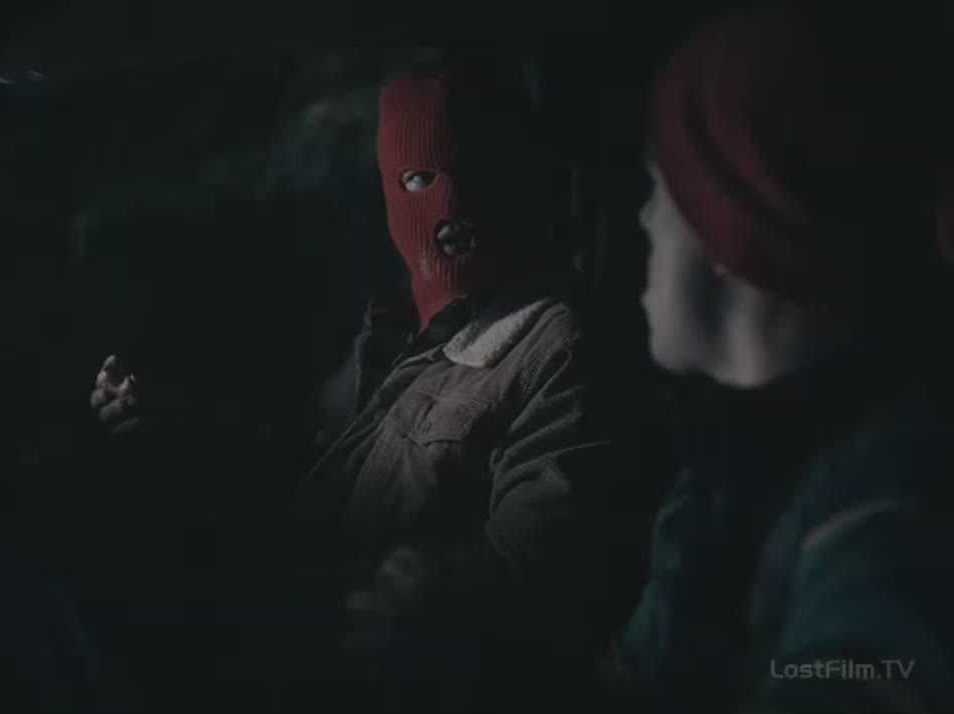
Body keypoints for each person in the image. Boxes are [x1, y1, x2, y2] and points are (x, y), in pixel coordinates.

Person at [91, 65, 671, 707]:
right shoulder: (396, 328)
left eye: (475, 172)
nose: (449, 207)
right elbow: (316, 460)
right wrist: (178, 432)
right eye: (419, 179)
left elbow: (540, 574)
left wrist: (399, 603)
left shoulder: (556, 348)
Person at [608, 8, 954, 712]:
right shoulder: (721, 474)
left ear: (730, 228)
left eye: (659, 187)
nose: (642, 218)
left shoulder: (889, 515)